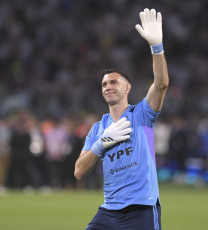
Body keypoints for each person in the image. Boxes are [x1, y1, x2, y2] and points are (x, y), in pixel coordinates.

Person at [74, 8, 168, 230]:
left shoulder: (141, 115)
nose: (108, 86)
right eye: (104, 84)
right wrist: (100, 144)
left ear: (128, 88)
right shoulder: (98, 129)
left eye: (114, 82)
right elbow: (78, 171)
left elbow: (161, 84)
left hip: (141, 208)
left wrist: (157, 47)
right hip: (109, 210)